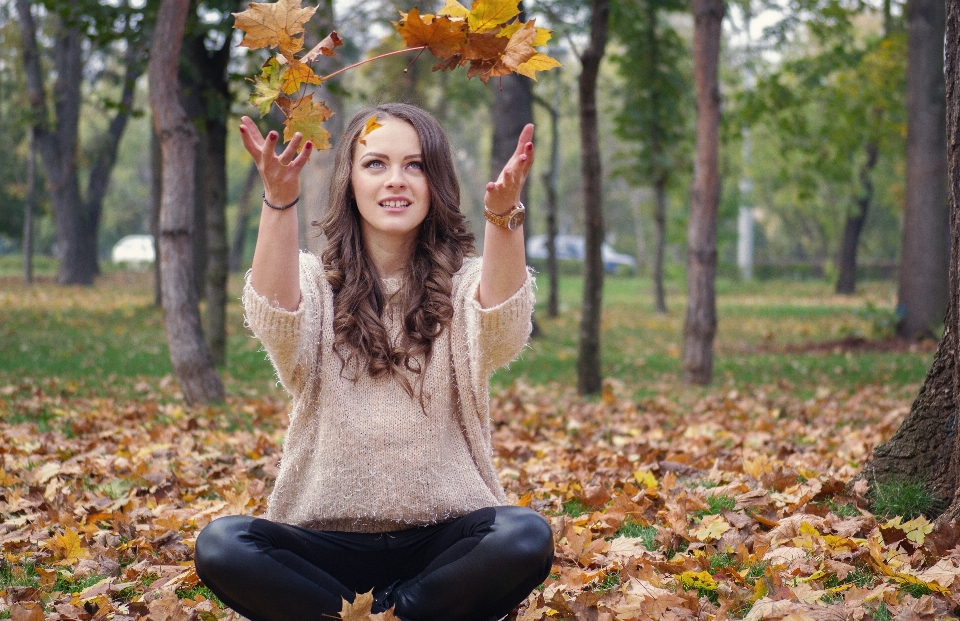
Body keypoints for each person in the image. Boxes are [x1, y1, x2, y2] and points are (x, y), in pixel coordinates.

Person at [193, 103, 554, 621]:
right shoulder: (315, 283)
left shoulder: (462, 283)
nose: (397, 181)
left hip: (443, 547)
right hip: (326, 552)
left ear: (436, 182)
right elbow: (274, 317)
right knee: (223, 544)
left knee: (524, 535)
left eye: (416, 165)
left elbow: (501, 328)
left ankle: (396, 613)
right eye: (376, 164)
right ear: (350, 180)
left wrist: (503, 216)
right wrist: (279, 200)